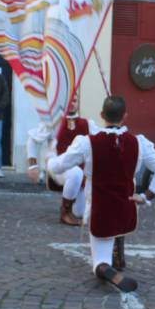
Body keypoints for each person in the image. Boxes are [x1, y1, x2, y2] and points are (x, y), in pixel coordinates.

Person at [48, 95, 155, 293]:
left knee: (99, 263)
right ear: (125, 116)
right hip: (125, 207)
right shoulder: (139, 143)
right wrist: (146, 196)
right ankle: (118, 249)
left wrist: (49, 157)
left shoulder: (87, 143)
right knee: (118, 223)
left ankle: (107, 266)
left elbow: (58, 166)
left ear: (102, 115)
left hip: (99, 208)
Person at [26, 96, 98, 226]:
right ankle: (65, 213)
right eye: (69, 100)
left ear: (78, 103)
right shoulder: (52, 122)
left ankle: (71, 207)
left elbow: (102, 140)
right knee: (75, 173)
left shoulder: (88, 124)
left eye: (74, 101)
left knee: (80, 213)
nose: (72, 104)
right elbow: (32, 140)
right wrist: (32, 166)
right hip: (57, 166)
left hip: (80, 170)